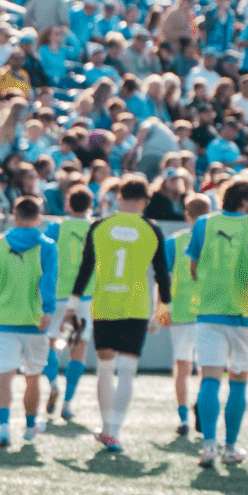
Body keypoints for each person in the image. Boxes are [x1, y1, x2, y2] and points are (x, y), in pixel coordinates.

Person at [70, 175, 172, 452]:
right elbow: (162, 274)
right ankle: (114, 430)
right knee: (127, 371)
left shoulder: (99, 226)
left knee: (105, 367)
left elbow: (85, 268)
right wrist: (165, 311)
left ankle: (106, 428)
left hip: (105, 304)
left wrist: (72, 303)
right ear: (145, 200)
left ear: (118, 196)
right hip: (136, 306)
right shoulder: (152, 230)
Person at [185, 178, 248, 468]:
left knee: (209, 379)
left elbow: (193, 267)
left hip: (209, 312)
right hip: (243, 316)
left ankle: (208, 445)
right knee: (238, 381)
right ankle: (231, 447)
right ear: (245, 201)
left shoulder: (203, 224)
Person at [0, 196, 58, 448]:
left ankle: (4, 428)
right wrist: (48, 309)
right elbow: (48, 281)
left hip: (4, 320)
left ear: (14, 216)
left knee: (5, 376)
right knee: (33, 378)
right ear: (39, 218)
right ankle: (29, 425)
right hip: (36, 321)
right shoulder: (47, 246)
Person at [43, 185, 95, 422]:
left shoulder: (57, 227)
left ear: (68, 205)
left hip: (58, 294)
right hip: (84, 296)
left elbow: (44, 257)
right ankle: (67, 404)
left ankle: (54, 383)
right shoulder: (97, 228)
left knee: (49, 344)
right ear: (90, 206)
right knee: (78, 350)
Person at [164, 194, 212, 439]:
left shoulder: (174, 241)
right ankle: (202, 408)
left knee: (182, 366)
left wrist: (161, 310)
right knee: (207, 367)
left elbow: (162, 278)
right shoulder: (215, 240)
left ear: (186, 214)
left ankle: (182, 417)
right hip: (208, 311)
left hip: (182, 311)